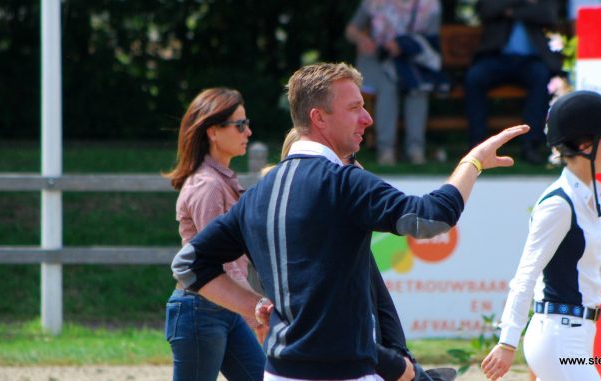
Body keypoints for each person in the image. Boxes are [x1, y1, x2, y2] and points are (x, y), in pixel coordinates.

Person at [172, 62, 529, 381]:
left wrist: (255, 307)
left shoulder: (260, 192)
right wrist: (472, 162)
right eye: (355, 108)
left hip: (279, 372)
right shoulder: (343, 181)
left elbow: (189, 265)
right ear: (319, 118)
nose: (368, 118)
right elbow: (430, 219)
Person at [481, 90, 601, 381]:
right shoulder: (557, 205)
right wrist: (507, 341)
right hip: (557, 337)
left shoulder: (596, 200)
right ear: (585, 146)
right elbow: (526, 274)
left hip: (577, 335)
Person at [269, 128, 457, 381]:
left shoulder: (346, 224)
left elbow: (381, 301)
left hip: (363, 356)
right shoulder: (307, 235)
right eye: (347, 157)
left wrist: (403, 358)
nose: (357, 165)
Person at [163, 88, 266, 381]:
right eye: (240, 125)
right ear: (213, 132)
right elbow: (217, 263)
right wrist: (254, 314)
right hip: (200, 311)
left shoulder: (221, 182)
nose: (248, 131)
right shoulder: (208, 186)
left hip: (222, 309)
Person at [346, 0, 447, 165]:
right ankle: (386, 151)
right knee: (388, 87)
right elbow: (351, 30)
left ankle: (416, 150)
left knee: (417, 88)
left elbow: (429, 41)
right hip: (377, 60)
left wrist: (404, 45)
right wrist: (362, 39)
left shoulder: (430, 5)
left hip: (410, 62)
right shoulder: (374, 2)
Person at [464, 0, 562, 165]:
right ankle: (477, 145)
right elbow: (486, 9)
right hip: (496, 58)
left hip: (530, 61)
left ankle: (530, 146)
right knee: (474, 78)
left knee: (541, 78)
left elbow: (548, 13)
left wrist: (513, 12)